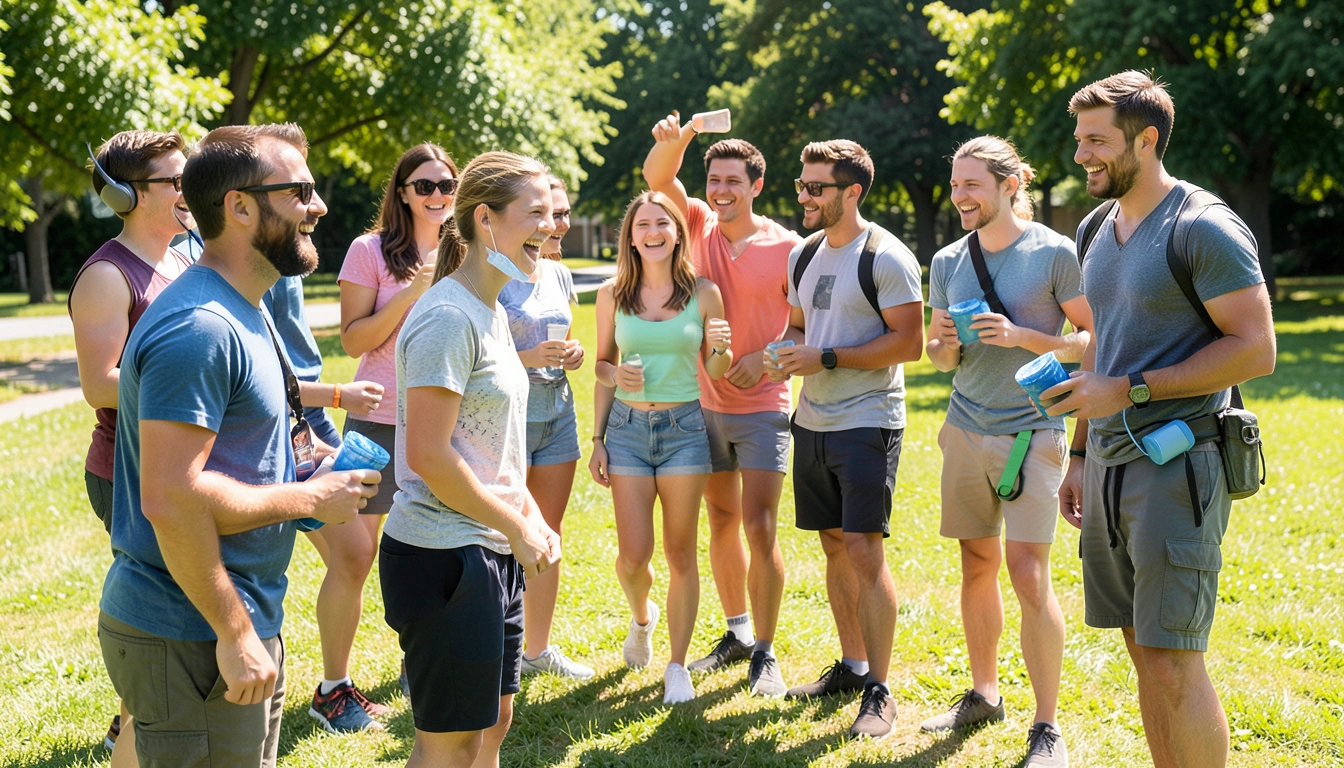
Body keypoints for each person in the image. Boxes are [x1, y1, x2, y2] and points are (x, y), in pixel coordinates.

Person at [97, 122, 380, 767]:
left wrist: (318, 466)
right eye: (300, 192)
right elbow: (172, 497)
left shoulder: (248, 307)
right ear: (241, 206)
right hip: (193, 628)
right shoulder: (201, 327)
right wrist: (234, 631)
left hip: (230, 618)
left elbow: (241, 456)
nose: (319, 206)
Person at [1044, 72, 1275, 768]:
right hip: (1109, 462)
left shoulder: (1202, 226)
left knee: (1175, 661)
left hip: (1178, 467)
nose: (1081, 154)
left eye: (1096, 141)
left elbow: (1256, 350)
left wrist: (1133, 391)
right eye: (1078, 138)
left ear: (1146, 140)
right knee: (1143, 652)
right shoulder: (1095, 227)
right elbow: (1105, 349)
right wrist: (1081, 454)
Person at [378, 151, 562, 768]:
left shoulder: (490, 311)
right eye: (536, 213)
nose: (552, 225)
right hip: (443, 555)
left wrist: (528, 517)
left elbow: (492, 446)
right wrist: (514, 525)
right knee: (449, 743)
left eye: (554, 213)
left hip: (489, 547)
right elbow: (430, 456)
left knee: (494, 721)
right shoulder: (448, 318)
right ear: (486, 220)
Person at [922, 136, 1095, 766]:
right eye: (956, 184)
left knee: (1028, 572)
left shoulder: (1052, 252)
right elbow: (939, 359)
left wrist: (1023, 336)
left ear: (1008, 184)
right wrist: (944, 342)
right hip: (965, 426)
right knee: (975, 565)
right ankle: (985, 693)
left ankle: (1046, 726)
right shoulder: (947, 260)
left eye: (973, 185)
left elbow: (1093, 338)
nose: (961, 196)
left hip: (1034, 431)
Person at [767, 140, 923, 739]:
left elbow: (907, 343)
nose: (803, 196)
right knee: (833, 543)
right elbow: (801, 325)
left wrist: (825, 356)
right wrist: (783, 352)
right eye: (802, 185)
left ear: (851, 191)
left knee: (863, 547)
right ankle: (853, 666)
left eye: (815, 188)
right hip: (813, 419)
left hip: (868, 419)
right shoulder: (802, 256)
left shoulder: (886, 256)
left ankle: (880, 690)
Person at [642, 113, 801, 696]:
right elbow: (658, 179)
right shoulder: (698, 225)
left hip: (763, 403)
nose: (722, 191)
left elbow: (807, 329)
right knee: (722, 521)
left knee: (760, 527)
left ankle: (764, 649)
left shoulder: (789, 247)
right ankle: (735, 631)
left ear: (757, 186)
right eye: (715, 180)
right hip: (702, 403)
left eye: (734, 181)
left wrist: (767, 357)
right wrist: (679, 141)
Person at [315, 143, 455, 728]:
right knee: (355, 556)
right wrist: (414, 289)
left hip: (443, 415)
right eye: (424, 186)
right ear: (401, 192)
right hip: (377, 417)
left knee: (436, 545)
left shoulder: (467, 249)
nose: (438, 196)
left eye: (447, 184)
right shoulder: (369, 250)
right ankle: (333, 687)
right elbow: (352, 340)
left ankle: (418, 660)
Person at [69, 128, 195, 766]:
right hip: (127, 470)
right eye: (175, 180)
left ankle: (133, 727)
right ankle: (138, 730)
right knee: (163, 616)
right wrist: (199, 390)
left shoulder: (185, 258)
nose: (188, 189)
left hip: (179, 462)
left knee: (180, 609)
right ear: (126, 195)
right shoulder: (107, 275)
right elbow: (100, 383)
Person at [588, 190, 733, 704]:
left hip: (685, 430)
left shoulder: (704, 292)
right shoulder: (612, 295)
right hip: (626, 429)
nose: (652, 232)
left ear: (677, 232)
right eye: (642, 224)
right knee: (633, 557)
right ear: (630, 235)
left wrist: (720, 347)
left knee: (679, 552)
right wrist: (598, 436)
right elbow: (601, 367)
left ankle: (677, 666)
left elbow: (718, 371)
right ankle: (641, 618)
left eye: (662, 223)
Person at [499, 175, 593, 680]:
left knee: (547, 534)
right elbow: (480, 349)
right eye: (549, 214)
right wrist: (527, 356)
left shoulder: (558, 274)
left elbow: (564, 337)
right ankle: (495, 647)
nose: (559, 224)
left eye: (563, 213)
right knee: (501, 534)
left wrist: (572, 353)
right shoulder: (494, 271)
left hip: (557, 411)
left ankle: (537, 650)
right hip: (509, 415)